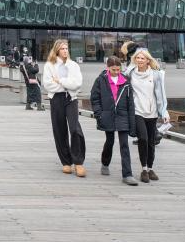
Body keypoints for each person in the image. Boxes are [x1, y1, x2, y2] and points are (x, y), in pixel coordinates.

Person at [90, 56, 138, 185]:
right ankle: (105, 163)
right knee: (109, 141)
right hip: (107, 116)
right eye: (114, 69)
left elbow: (131, 103)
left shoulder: (126, 82)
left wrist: (131, 122)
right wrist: (99, 114)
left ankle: (127, 174)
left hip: (123, 116)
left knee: (124, 145)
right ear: (108, 68)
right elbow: (94, 98)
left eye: (118, 69)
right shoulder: (100, 80)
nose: (117, 72)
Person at [42, 39, 86, 177]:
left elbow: (77, 84)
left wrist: (60, 81)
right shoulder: (49, 65)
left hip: (70, 98)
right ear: (56, 50)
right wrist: (67, 84)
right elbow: (48, 85)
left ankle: (78, 162)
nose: (65, 51)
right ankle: (66, 162)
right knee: (59, 130)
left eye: (67, 48)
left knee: (74, 129)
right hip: (56, 99)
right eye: (62, 49)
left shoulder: (73, 65)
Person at [123, 49, 167, 183]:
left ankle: (150, 168)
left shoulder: (156, 75)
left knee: (151, 141)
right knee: (143, 139)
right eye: (138, 58)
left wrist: (164, 112)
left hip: (152, 112)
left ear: (148, 60)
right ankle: (143, 169)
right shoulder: (130, 73)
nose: (140, 60)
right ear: (135, 60)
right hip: (137, 111)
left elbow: (161, 95)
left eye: (143, 58)